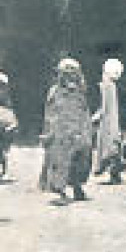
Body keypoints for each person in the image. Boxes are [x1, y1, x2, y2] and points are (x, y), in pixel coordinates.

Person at [39, 58, 95, 202]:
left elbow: (84, 111)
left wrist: (87, 129)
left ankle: (77, 187)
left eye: (73, 73)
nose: (71, 76)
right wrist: (49, 133)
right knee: (60, 161)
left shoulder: (80, 91)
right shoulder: (55, 92)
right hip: (61, 133)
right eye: (67, 73)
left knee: (81, 159)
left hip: (78, 131)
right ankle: (60, 190)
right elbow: (50, 113)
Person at [92, 59, 126, 185]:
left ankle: (113, 174)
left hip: (109, 123)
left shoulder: (107, 86)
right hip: (113, 121)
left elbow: (105, 106)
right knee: (114, 147)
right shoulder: (112, 86)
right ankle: (114, 173)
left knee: (109, 147)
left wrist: (97, 116)